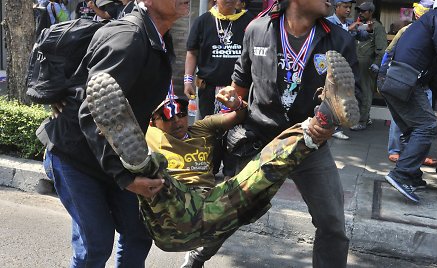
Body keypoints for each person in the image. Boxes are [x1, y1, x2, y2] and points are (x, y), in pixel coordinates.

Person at [182, 0, 362, 267]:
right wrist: (233, 101)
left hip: (308, 141)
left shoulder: (339, 39)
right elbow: (240, 86)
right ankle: (197, 257)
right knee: (228, 211)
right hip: (259, 140)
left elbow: (352, 96)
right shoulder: (257, 30)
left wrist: (327, 124)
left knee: (333, 224)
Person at [37, 1, 190, 266]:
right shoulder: (130, 38)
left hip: (113, 153)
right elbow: (91, 110)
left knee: (138, 233)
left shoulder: (157, 36)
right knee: (95, 247)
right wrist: (125, 178)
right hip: (76, 156)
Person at [380, 0, 437, 202]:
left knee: (413, 129)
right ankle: (401, 175)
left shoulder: (428, 23)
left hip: (393, 79)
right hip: (404, 80)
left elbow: (434, 74)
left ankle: (412, 175)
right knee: (427, 126)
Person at [183, 0, 254, 180]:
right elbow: (192, 52)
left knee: (235, 130)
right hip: (209, 89)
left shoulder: (249, 22)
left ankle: (231, 172)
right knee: (209, 131)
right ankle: (208, 169)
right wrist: (188, 80)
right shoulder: (203, 21)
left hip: (238, 91)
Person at [384, 0, 437, 167]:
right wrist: (383, 75)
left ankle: (417, 155)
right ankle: (395, 150)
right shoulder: (406, 31)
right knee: (399, 119)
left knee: (423, 125)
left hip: (424, 85)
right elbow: (389, 53)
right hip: (404, 83)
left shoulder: (436, 33)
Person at [326, 0, 370, 140]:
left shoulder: (350, 22)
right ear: (336, 7)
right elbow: (332, 38)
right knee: (332, 95)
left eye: (349, 7)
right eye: (345, 7)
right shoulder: (329, 22)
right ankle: (332, 127)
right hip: (333, 64)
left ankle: (337, 125)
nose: (348, 10)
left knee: (344, 95)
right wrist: (349, 29)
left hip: (348, 64)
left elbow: (363, 37)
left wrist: (366, 28)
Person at [350, 1, 387, 131]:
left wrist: (377, 64)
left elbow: (382, 49)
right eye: (359, 10)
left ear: (371, 12)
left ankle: (362, 121)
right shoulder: (360, 26)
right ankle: (366, 117)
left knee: (365, 92)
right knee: (358, 92)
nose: (361, 13)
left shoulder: (377, 27)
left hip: (368, 66)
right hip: (357, 65)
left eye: (364, 11)